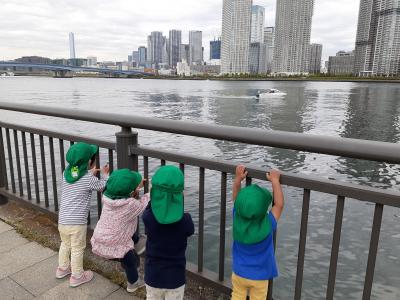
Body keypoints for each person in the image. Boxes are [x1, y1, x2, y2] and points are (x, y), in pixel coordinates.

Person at [56, 142, 109, 287]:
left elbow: (77, 176)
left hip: (63, 220)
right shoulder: (88, 180)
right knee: (77, 248)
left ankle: (62, 268)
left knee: (65, 244)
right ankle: (77, 276)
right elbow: (103, 186)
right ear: (90, 162)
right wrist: (105, 175)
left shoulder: (66, 174)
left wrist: (88, 172)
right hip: (77, 223)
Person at [91, 168, 149, 293]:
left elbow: (111, 186)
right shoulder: (131, 205)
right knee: (130, 262)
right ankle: (133, 284)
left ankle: (136, 244)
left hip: (100, 238)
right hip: (116, 243)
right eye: (137, 186)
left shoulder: (106, 197)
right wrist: (153, 191)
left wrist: (106, 175)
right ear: (132, 192)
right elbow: (144, 202)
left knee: (124, 227)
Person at [231, 165, 284, 300]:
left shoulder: (237, 218)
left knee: (237, 296)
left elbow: (236, 199)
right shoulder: (268, 224)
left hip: (239, 273)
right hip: (260, 276)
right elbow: (278, 205)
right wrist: (275, 181)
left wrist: (238, 179)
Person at [143, 165, 194, 300]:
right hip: (175, 278)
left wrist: (155, 196)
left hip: (152, 275)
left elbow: (150, 206)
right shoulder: (186, 221)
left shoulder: (147, 217)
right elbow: (190, 231)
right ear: (179, 195)